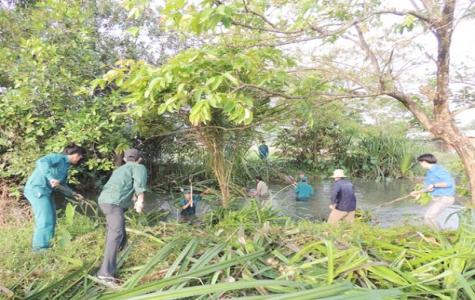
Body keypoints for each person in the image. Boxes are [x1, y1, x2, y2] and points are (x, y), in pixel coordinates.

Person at [96, 149, 147, 287]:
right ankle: (105, 274)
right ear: (139, 159)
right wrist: (140, 202)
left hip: (104, 201)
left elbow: (126, 186)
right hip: (114, 204)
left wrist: (135, 198)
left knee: (121, 236)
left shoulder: (119, 170)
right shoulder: (139, 167)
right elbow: (139, 185)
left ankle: (117, 261)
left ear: (124, 159)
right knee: (115, 236)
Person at [23, 144, 86, 253]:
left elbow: (61, 185)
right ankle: (39, 251)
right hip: (37, 190)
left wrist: (73, 194)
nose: (81, 158)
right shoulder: (58, 157)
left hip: (47, 192)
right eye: (81, 156)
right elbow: (41, 162)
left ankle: (47, 245)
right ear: (76, 155)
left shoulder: (66, 166)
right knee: (44, 220)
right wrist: (50, 177)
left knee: (51, 218)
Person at [410, 153, 455, 231]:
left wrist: (434, 185)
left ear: (424, 162)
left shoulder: (439, 170)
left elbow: (449, 183)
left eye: (420, 163)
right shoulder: (430, 172)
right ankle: (433, 235)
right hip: (436, 198)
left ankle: (440, 237)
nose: (420, 165)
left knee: (429, 217)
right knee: (426, 216)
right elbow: (427, 188)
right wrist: (418, 192)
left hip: (445, 198)